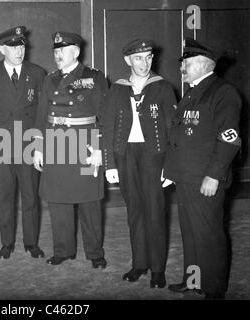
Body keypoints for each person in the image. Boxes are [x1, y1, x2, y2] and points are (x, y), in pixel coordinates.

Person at [164, 38, 242, 299]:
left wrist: (214, 175)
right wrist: (169, 170)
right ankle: (194, 280)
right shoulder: (194, 91)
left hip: (204, 178)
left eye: (186, 63)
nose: (182, 68)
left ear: (202, 64)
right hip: (185, 177)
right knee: (191, 234)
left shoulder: (222, 92)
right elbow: (179, 137)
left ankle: (213, 288)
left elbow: (229, 139)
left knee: (208, 235)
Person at [102, 39, 177, 288]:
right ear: (127, 61)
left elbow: (172, 129)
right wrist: (110, 164)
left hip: (153, 155)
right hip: (125, 155)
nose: (144, 63)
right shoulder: (117, 89)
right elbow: (108, 128)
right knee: (134, 211)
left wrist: (171, 165)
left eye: (148, 57)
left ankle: (158, 270)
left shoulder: (163, 87)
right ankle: (139, 264)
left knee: (155, 211)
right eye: (138, 58)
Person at [33, 32, 108, 269]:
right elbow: (41, 116)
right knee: (58, 200)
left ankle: (95, 253)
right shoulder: (50, 79)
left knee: (90, 201)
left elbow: (105, 117)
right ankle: (63, 250)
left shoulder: (93, 77)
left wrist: (99, 150)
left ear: (75, 52)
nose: (57, 56)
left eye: (62, 51)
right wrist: (37, 147)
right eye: (55, 51)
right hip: (55, 143)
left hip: (84, 144)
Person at [0, 26, 46, 259]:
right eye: (13, 47)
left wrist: (39, 143)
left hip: (28, 142)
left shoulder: (37, 73)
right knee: (5, 196)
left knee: (30, 196)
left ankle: (32, 243)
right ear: (2, 49)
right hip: (1, 143)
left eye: (22, 46)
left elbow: (42, 111)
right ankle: (6, 243)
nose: (19, 51)